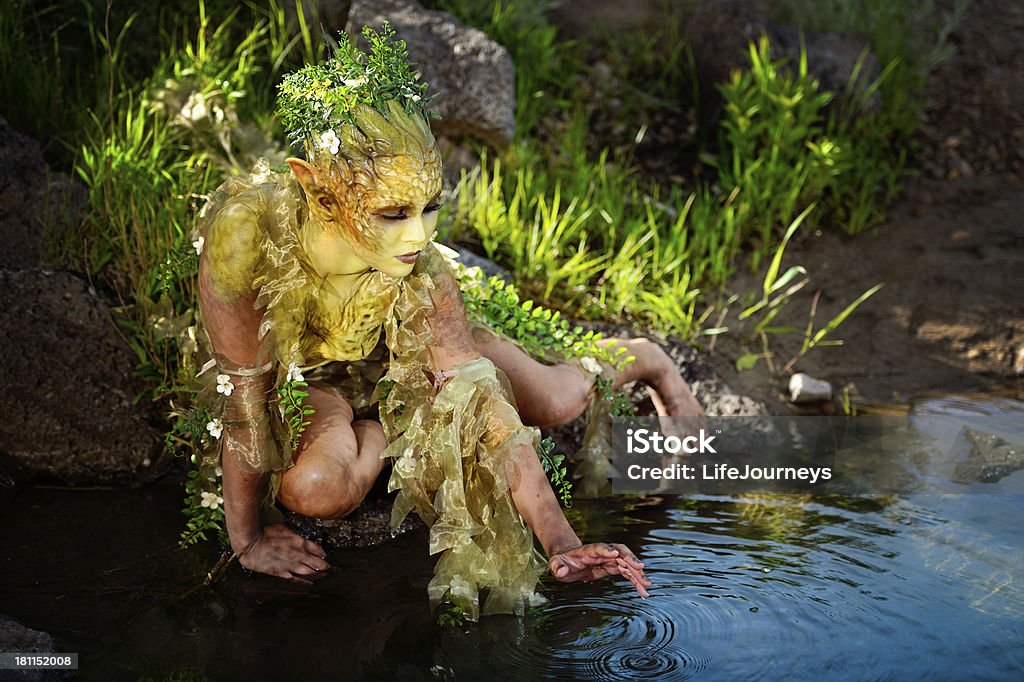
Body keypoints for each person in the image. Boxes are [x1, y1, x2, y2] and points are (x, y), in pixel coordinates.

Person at [193, 24, 702, 620]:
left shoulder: (423, 269)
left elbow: (482, 402)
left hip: (410, 359)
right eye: (393, 213)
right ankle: (402, 432)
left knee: (559, 401)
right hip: (317, 380)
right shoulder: (247, 236)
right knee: (312, 491)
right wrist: (247, 539)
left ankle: (648, 358)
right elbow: (246, 394)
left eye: (430, 206)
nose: (420, 235)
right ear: (318, 189)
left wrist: (561, 543)